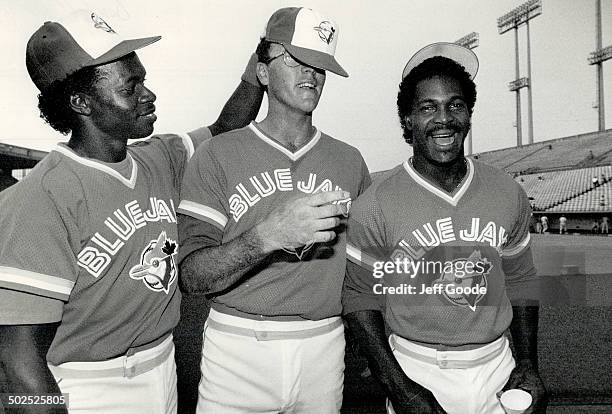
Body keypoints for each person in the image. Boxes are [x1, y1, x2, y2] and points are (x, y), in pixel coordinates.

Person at [0, 10, 263, 414]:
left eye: (143, 79)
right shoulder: (40, 198)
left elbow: (224, 128)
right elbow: (17, 359)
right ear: (81, 102)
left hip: (162, 370)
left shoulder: (160, 157)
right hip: (88, 389)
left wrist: (257, 66)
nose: (148, 94)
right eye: (131, 85)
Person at [176, 7, 370, 413]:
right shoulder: (217, 154)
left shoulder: (350, 162)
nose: (311, 73)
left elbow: (360, 270)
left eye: (319, 64)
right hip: (238, 347)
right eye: (295, 59)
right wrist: (267, 236)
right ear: (262, 72)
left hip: (325, 345)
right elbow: (192, 277)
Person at [342, 42, 547, 414]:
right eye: (427, 108)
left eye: (455, 105)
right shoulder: (375, 203)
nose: (444, 118)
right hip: (417, 367)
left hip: (497, 367)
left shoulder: (507, 191)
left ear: (468, 114)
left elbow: (521, 281)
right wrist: (398, 387)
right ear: (407, 120)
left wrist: (529, 365)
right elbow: (359, 300)